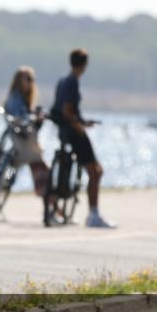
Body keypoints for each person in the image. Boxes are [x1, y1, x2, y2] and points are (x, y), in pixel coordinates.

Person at [51, 48, 115, 228]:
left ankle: (62, 207)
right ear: (84, 65)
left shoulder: (63, 81)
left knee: (92, 171)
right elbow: (67, 110)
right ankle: (93, 214)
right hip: (74, 133)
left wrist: (83, 122)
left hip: (64, 132)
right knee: (96, 171)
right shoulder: (72, 82)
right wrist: (79, 127)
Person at [3, 66, 50, 196]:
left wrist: (37, 118)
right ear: (18, 80)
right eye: (27, 79)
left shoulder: (24, 99)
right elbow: (20, 119)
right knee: (40, 166)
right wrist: (34, 118)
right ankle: (48, 197)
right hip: (22, 141)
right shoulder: (16, 98)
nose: (30, 82)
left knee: (37, 166)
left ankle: (48, 198)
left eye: (32, 79)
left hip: (24, 140)